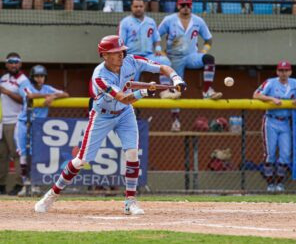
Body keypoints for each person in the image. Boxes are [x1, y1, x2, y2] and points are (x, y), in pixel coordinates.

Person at [34, 35, 186, 215]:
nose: (121, 55)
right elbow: (123, 97)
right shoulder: (100, 76)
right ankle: (51, 195)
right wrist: (144, 91)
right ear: (105, 55)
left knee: (132, 153)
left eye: (121, 51)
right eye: (115, 53)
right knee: (81, 160)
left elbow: (161, 67)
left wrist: (176, 79)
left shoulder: (131, 60)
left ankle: (130, 202)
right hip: (102, 116)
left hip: (125, 113)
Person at [158, 0, 222, 131]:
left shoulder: (198, 21)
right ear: (178, 6)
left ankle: (206, 90)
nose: (185, 8)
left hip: (191, 55)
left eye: (188, 5)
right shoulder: (169, 20)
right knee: (176, 91)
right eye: (183, 5)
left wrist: (204, 50)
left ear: (191, 6)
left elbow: (208, 39)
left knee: (209, 59)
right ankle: (175, 122)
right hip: (174, 58)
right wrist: (160, 50)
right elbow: (156, 35)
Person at [253, 61, 296, 192]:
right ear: (277, 72)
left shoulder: (295, 83)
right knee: (270, 154)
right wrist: (271, 99)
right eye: (281, 70)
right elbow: (256, 94)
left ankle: (279, 184)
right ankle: (269, 184)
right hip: (271, 120)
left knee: (285, 154)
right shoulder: (271, 82)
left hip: (285, 121)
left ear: (290, 72)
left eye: (286, 70)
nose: (283, 73)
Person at [16, 65, 69, 196]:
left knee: (35, 154)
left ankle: (34, 185)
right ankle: (25, 184)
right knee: (23, 154)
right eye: (37, 76)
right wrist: (50, 95)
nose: (40, 79)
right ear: (32, 77)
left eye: (42, 76)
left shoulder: (47, 88)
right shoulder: (26, 84)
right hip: (24, 123)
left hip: (38, 126)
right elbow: (30, 95)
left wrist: (53, 97)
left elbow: (66, 94)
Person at [118, 0, 171, 81]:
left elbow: (156, 38)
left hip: (148, 56)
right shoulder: (125, 22)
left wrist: (158, 48)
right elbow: (121, 42)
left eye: (141, 6)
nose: (138, 8)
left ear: (144, 7)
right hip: (132, 57)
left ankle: (166, 88)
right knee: (131, 84)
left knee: (165, 62)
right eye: (136, 6)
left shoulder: (151, 21)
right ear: (131, 7)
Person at [0, 53, 29, 196]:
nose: (13, 65)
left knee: (16, 154)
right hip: (2, 122)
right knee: (2, 155)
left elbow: (26, 100)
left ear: (20, 64)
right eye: (11, 62)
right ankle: (2, 185)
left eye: (16, 62)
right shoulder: (3, 78)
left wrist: (7, 92)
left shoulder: (23, 80)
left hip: (16, 121)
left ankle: (19, 185)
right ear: (6, 64)